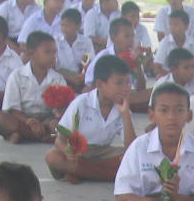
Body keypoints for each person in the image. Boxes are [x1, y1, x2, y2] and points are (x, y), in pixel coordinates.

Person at [46, 53, 135, 183]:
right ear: (99, 84)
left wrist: (125, 114)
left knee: (131, 158)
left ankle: (80, 172)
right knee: (53, 157)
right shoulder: (81, 103)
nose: (126, 88)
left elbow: (131, 147)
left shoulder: (123, 108)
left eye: (128, 82)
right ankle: (103, 175)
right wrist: (68, 152)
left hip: (103, 153)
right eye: (119, 83)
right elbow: (59, 140)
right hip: (79, 152)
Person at [0, 30, 68, 144]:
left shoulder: (58, 79)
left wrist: (58, 113)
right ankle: (40, 136)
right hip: (22, 119)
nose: (53, 56)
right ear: (31, 53)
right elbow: (12, 109)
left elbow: (62, 110)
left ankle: (23, 134)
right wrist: (29, 121)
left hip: (47, 121)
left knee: (58, 127)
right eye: (47, 52)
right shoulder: (17, 76)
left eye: (54, 52)